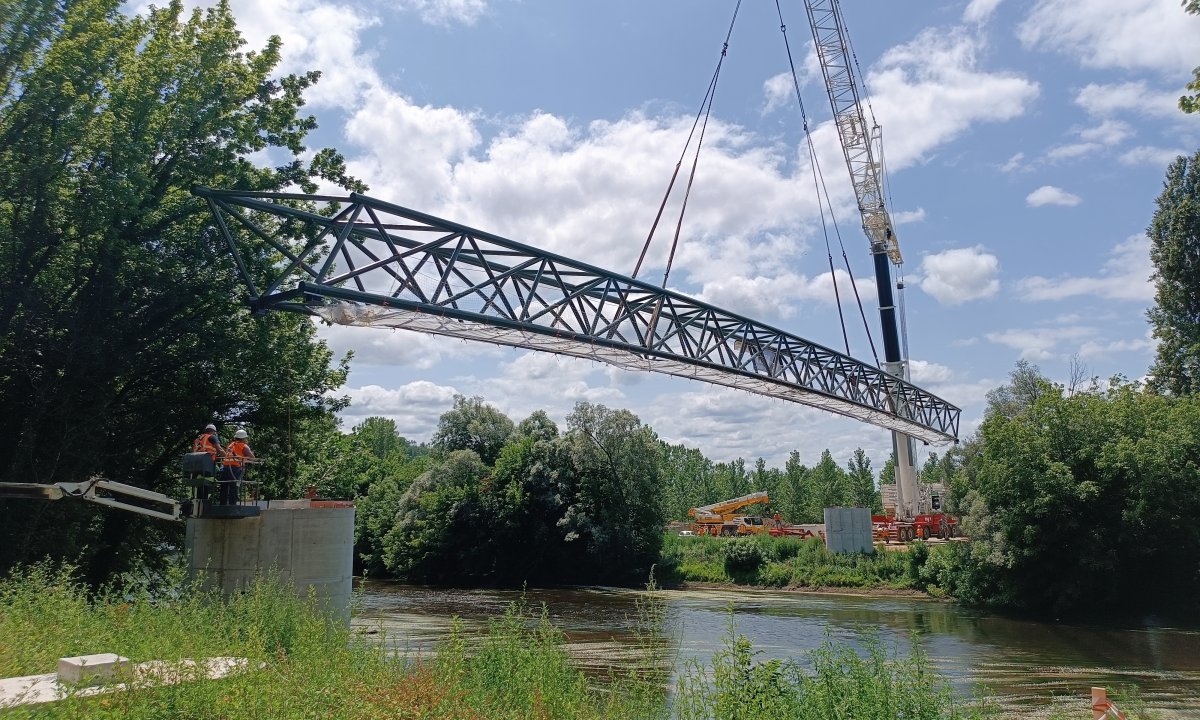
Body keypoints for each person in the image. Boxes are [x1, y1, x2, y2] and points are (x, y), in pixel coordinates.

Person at [219, 428, 255, 505]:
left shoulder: (231, 445)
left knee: (224, 487)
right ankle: (232, 506)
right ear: (243, 438)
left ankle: (222, 505)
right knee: (234, 487)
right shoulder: (243, 446)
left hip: (226, 468)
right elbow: (252, 457)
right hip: (236, 469)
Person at [191, 423, 224, 500]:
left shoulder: (199, 438)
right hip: (208, 464)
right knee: (207, 483)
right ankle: (205, 502)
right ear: (213, 431)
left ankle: (199, 502)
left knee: (200, 484)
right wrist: (228, 457)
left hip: (198, 465)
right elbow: (219, 449)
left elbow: (194, 452)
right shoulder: (212, 437)